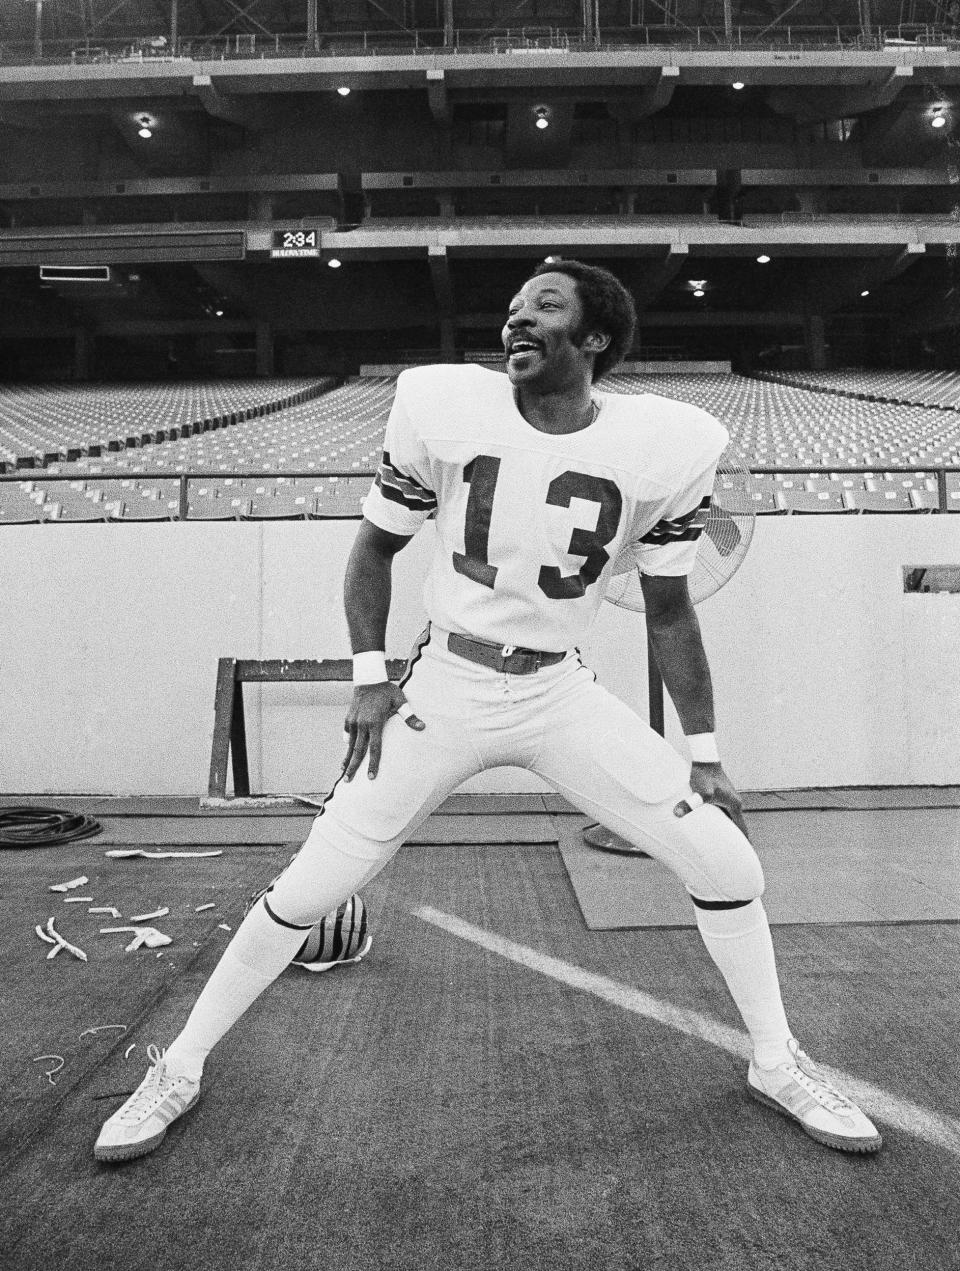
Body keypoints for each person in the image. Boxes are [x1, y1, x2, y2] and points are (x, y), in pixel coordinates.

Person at [94, 259, 881, 1162]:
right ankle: (180, 1068)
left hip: (558, 690)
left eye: (544, 307)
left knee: (729, 862)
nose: (515, 320)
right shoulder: (445, 408)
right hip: (447, 687)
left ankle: (777, 1061)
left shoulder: (668, 445)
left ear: (594, 340)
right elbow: (372, 552)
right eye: (510, 307)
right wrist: (368, 674)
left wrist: (705, 751)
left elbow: (670, 611)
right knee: (311, 887)